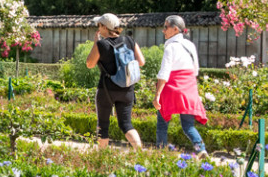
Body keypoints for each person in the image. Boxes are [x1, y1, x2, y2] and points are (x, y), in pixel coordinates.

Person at [85, 13, 145, 149]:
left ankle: (102, 157)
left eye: (99, 26)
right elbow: (141, 62)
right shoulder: (129, 40)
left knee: (103, 124)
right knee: (126, 124)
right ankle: (140, 152)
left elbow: (89, 64)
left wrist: (96, 43)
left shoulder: (102, 44)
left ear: (105, 27)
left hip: (107, 90)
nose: (98, 29)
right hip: (127, 89)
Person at [154, 15, 207, 155]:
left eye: (166, 27)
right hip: (189, 88)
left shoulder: (170, 48)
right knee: (188, 126)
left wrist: (157, 95)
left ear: (175, 29)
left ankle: (161, 154)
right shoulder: (190, 46)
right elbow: (195, 70)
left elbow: (164, 73)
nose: (163, 30)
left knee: (162, 124)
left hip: (172, 88)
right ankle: (201, 149)